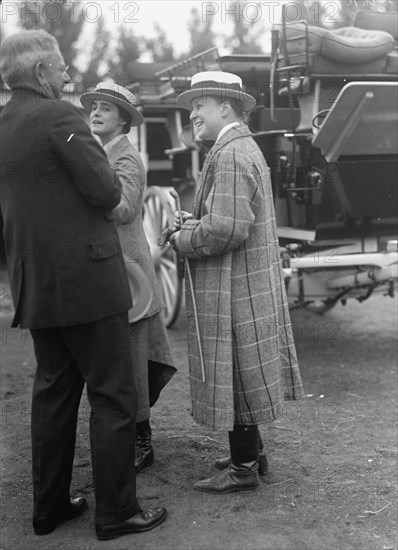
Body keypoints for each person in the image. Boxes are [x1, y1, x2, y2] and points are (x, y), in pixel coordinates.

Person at [0, 29, 167, 540]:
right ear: (42, 72)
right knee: (113, 396)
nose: (69, 75)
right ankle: (117, 513)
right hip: (88, 283)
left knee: (53, 396)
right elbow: (104, 187)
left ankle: (49, 507)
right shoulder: (60, 116)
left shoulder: (3, 122)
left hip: (36, 284)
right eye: (62, 68)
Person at [169, 71, 304, 493]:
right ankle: (252, 455)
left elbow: (227, 229)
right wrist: (197, 221)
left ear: (224, 106)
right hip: (246, 279)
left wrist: (182, 237)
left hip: (236, 284)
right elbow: (228, 218)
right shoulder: (239, 146)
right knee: (242, 370)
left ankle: (244, 469)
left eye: (199, 105)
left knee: (237, 371)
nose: (192, 113)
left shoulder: (229, 154)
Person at [80, 82, 176, 473]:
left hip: (130, 268)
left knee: (133, 355)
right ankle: (130, 434)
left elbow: (122, 209)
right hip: (111, 265)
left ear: (124, 120)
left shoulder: (126, 158)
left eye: (107, 108)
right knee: (119, 354)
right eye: (95, 106)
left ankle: (141, 442)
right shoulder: (101, 152)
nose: (97, 112)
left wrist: (83, 188)